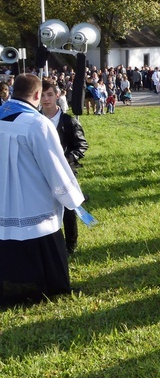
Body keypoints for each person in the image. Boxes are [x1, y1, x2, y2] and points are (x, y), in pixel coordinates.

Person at [0, 75, 87, 304]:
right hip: (32, 198)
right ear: (37, 95)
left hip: (3, 198)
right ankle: (49, 288)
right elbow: (54, 165)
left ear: (12, 90)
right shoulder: (37, 124)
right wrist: (72, 198)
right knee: (42, 237)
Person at [39, 78, 89, 255]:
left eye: (50, 94)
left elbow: (81, 145)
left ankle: (70, 246)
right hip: (40, 173)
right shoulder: (34, 120)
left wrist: (67, 159)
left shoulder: (68, 121)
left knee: (68, 209)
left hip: (64, 173)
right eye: (43, 95)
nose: (46, 99)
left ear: (57, 95)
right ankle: (47, 245)